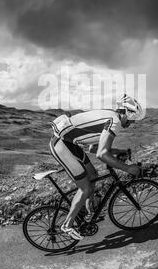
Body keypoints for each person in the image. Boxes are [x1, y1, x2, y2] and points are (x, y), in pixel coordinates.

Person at [49, 94, 144, 240]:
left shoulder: (111, 116)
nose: (132, 123)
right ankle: (67, 225)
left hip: (69, 144)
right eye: (132, 119)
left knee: (93, 175)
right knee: (85, 187)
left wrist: (119, 152)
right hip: (62, 146)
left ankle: (88, 211)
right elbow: (101, 154)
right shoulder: (115, 121)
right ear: (126, 113)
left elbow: (93, 149)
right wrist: (128, 168)